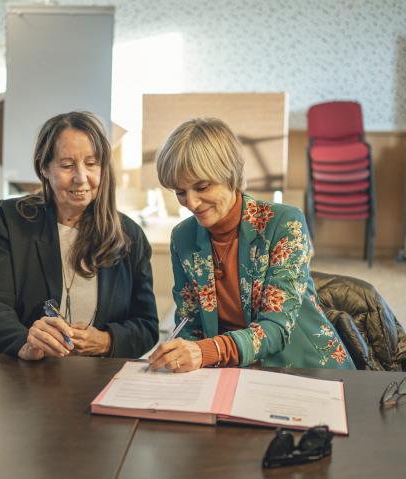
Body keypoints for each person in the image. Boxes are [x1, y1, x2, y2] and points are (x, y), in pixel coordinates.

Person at [148, 117, 355, 372]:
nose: (191, 203)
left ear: (231, 175)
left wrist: (206, 351)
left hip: (306, 369)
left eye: (201, 187)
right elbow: (190, 324)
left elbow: (276, 328)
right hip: (233, 372)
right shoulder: (183, 237)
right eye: (180, 192)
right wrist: (176, 353)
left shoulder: (284, 224)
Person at [0, 111, 159, 359]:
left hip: (96, 378)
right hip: (23, 376)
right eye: (67, 165)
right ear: (44, 168)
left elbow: (147, 325)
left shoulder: (130, 235)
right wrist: (25, 342)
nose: (81, 178)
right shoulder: (10, 220)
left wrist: (108, 341)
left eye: (91, 163)